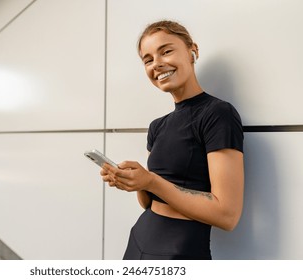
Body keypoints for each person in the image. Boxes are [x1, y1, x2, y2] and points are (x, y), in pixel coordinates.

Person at [100, 20, 244, 260]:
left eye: (166, 51)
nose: (156, 63)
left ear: (192, 51)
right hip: (139, 238)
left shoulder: (217, 114)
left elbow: (227, 215)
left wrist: (151, 181)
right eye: (148, 59)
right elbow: (148, 202)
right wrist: (133, 180)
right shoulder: (157, 126)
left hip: (181, 249)